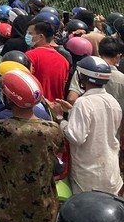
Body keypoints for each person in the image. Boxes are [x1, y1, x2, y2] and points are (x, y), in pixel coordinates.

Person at [0, 70, 63, 222]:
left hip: (9, 211)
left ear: (9, 99)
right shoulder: (53, 129)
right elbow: (58, 156)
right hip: (43, 211)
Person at [48, 55, 124, 195]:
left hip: (88, 173)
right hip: (110, 171)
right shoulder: (112, 102)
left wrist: (59, 117)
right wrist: (71, 111)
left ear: (81, 78)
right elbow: (98, 122)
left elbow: (76, 137)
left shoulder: (83, 103)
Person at [25, 20, 69, 102]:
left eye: (30, 34)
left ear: (41, 36)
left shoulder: (31, 55)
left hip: (36, 105)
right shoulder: (64, 61)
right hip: (55, 108)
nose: (27, 36)